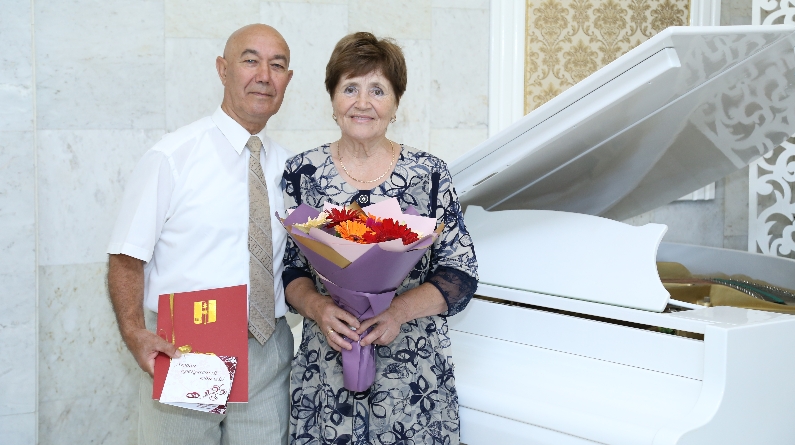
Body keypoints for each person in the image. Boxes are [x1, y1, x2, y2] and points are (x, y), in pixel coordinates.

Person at [282, 32, 478, 445]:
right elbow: (290, 270)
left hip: (412, 374)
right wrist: (318, 307)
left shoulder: (429, 173)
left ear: (396, 102)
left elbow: (460, 271)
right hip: (327, 370)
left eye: (377, 90)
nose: (362, 102)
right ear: (332, 98)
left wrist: (396, 312)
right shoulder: (302, 172)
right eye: (350, 88)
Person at [107, 24, 295, 445]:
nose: (264, 75)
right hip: (188, 345)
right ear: (223, 70)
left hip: (269, 350)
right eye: (250, 60)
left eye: (277, 65)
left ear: (287, 80)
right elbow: (125, 257)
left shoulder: (291, 169)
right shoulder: (172, 157)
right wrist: (135, 333)